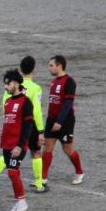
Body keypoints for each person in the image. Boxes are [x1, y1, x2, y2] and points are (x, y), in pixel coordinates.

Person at [0, 56, 46, 196]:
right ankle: (39, 184)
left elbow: (5, 106)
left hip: (12, 125)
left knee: (8, 153)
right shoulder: (35, 88)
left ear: (20, 69)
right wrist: (40, 130)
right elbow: (36, 111)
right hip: (29, 125)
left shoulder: (9, 87)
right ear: (34, 69)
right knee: (35, 152)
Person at [42, 54, 85, 186]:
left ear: (59, 66)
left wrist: (59, 121)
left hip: (65, 121)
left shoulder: (69, 81)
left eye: (51, 65)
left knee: (67, 148)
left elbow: (68, 103)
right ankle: (42, 178)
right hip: (51, 120)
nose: (49, 68)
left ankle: (79, 172)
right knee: (47, 147)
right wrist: (52, 120)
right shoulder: (54, 81)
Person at [0, 69, 35, 211]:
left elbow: (28, 126)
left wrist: (20, 145)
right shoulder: (8, 101)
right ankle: (18, 202)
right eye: (5, 84)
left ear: (15, 83)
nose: (6, 87)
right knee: (14, 174)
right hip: (6, 144)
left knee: (12, 172)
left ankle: (22, 202)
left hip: (17, 145)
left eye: (8, 84)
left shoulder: (26, 102)